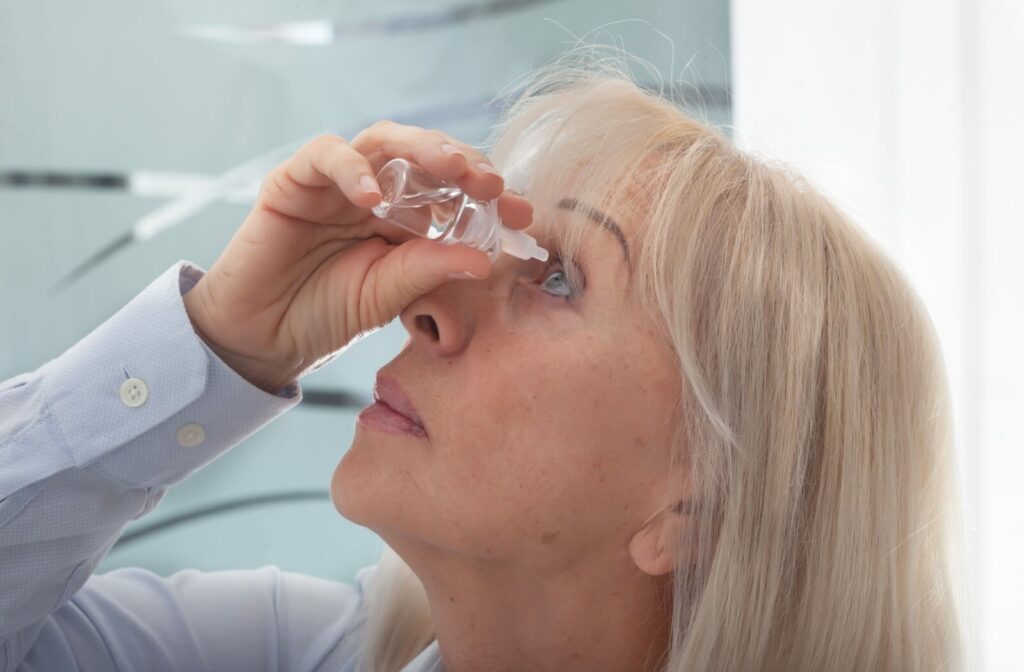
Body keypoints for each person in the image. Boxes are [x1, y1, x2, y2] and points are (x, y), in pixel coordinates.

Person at [0, 46, 967, 672]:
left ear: (696, 505)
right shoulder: (286, 651)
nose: (426, 303)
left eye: (555, 280)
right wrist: (219, 334)